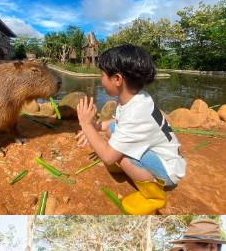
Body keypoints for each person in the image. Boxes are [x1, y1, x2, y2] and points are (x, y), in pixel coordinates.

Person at [75, 44, 186, 215]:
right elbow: (117, 122)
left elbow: (108, 157)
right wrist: (95, 127)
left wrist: (86, 125)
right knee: (113, 129)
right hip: (165, 155)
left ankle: (153, 196)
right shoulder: (137, 98)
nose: (100, 80)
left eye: (102, 75)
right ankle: (137, 170)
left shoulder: (135, 112)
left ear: (117, 79)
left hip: (168, 170)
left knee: (121, 156)